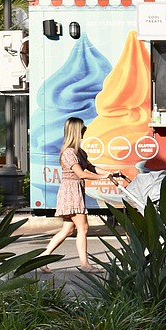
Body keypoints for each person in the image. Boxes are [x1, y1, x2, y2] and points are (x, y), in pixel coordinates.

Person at [39, 117, 116, 273]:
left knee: (67, 230)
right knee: (84, 228)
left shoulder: (79, 152)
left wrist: (110, 173)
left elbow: (91, 168)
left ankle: (41, 259)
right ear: (76, 131)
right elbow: (81, 174)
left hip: (73, 191)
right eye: (82, 129)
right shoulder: (68, 153)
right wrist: (103, 177)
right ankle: (85, 264)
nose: (84, 131)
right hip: (71, 192)